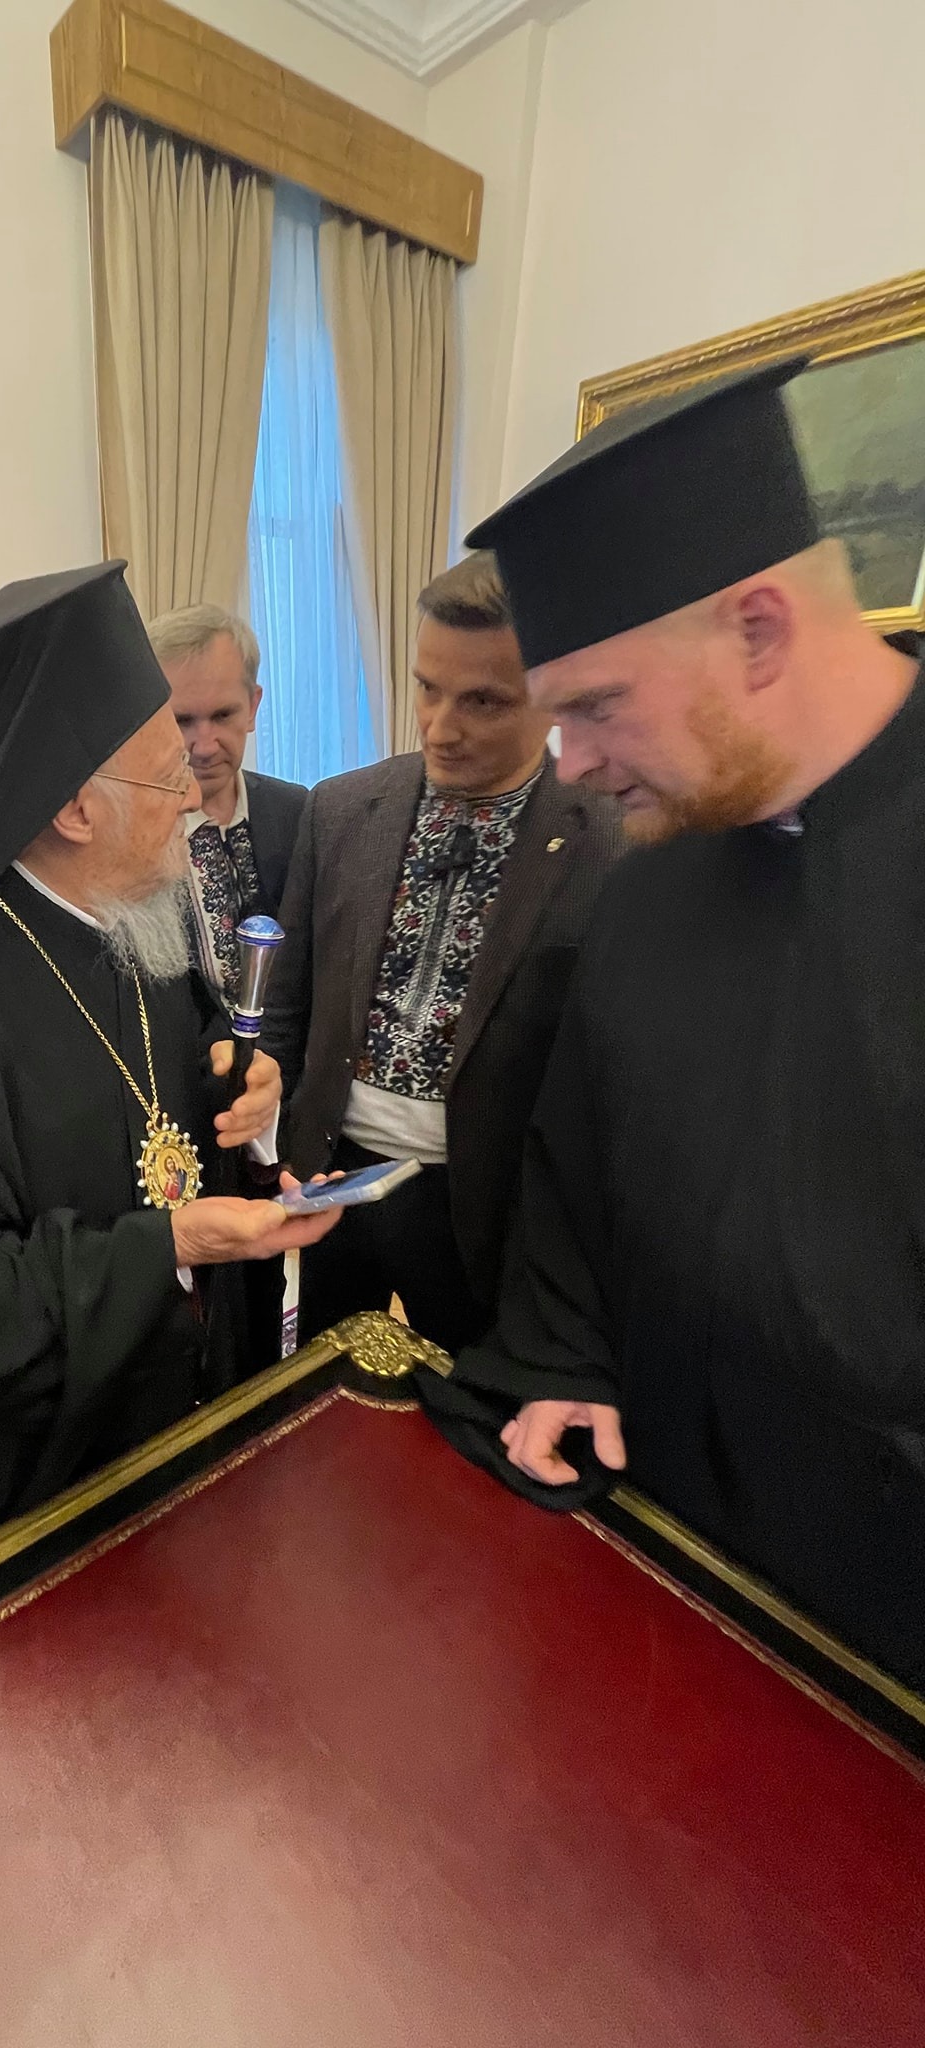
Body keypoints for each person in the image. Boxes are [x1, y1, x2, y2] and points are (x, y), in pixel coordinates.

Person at [424, 357, 925, 1690]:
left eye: (596, 706)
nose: (572, 764)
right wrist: (566, 1357)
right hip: (654, 1552)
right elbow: (574, 1176)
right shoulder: (650, 882)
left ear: (758, 631)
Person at [0, 562, 339, 1555]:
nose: (194, 797)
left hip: (187, 1425)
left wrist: (247, 1101)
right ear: (74, 810)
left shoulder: (137, 926)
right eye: (167, 773)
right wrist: (170, 1247)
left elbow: (180, 1112)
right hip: (54, 1503)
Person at [263, 553, 622, 1354]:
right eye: (427, 687)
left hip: (484, 1208)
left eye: (483, 701)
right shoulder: (341, 808)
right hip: (330, 1180)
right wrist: (278, 1149)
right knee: (320, 1389)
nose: (438, 726)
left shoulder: (608, 841)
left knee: (467, 1406)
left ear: (549, 694)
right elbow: (289, 1003)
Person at [147, 604, 307, 1007]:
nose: (204, 746)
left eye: (222, 715)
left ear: (253, 706)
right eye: (182, 720)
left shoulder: (299, 813)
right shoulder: (132, 838)